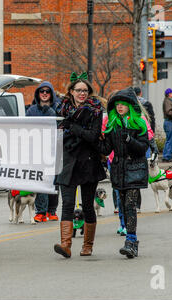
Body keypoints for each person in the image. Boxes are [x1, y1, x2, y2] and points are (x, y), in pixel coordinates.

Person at [53, 72, 106, 258]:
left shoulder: (96, 110)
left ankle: (88, 245)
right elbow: (57, 134)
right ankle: (66, 244)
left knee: (88, 206)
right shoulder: (61, 110)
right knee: (67, 204)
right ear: (71, 92)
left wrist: (74, 128)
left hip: (88, 162)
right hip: (68, 162)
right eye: (78, 90)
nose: (82, 94)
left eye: (85, 91)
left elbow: (93, 136)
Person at [99, 87, 149, 259]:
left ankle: (130, 240)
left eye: (123, 104)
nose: (119, 107)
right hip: (118, 169)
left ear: (130, 106)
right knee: (123, 206)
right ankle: (132, 242)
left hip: (135, 168)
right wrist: (97, 139)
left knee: (130, 205)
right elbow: (106, 149)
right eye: (117, 105)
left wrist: (130, 139)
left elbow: (143, 148)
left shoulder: (139, 123)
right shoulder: (112, 125)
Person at [26, 81, 60, 222]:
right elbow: (26, 129)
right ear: (38, 93)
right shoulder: (31, 110)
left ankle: (52, 211)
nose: (44, 93)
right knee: (40, 181)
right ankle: (41, 212)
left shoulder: (58, 108)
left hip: (54, 151)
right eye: (42, 91)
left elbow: (62, 128)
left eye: (47, 91)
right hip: (37, 151)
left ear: (51, 93)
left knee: (53, 182)